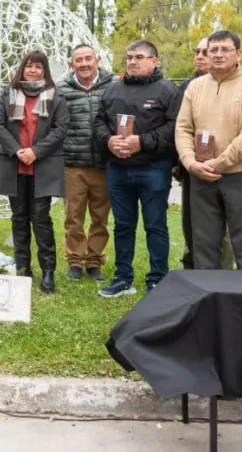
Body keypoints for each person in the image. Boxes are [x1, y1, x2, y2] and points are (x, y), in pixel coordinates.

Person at [94, 40, 181, 298]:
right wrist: (109, 141)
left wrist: (141, 142)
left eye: (139, 57)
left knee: (155, 225)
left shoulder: (167, 90)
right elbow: (98, 123)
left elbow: (175, 128)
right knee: (122, 226)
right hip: (118, 170)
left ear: (154, 61)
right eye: (129, 56)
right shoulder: (112, 89)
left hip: (153, 169)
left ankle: (157, 279)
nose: (132, 61)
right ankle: (123, 278)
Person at [175, 30, 242, 271]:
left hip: (241, 175)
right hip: (200, 176)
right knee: (204, 245)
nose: (217, 55)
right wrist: (191, 163)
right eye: (212, 50)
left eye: (224, 49)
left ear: (238, 53)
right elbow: (183, 128)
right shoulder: (195, 87)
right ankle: (211, 302)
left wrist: (219, 164)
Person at [0, 50, 69, 294]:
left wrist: (35, 151)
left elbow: (60, 130)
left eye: (38, 66)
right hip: (15, 165)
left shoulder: (56, 97)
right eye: (29, 66)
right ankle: (22, 266)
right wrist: (17, 150)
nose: (33, 70)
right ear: (22, 68)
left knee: (41, 219)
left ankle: (48, 270)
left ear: (45, 70)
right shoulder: (8, 94)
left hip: (41, 166)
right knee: (19, 217)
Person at [56, 44, 115, 281]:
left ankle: (94, 260)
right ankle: (75, 260)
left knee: (100, 216)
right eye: (78, 60)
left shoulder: (113, 86)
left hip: (104, 163)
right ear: (72, 65)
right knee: (73, 216)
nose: (84, 64)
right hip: (73, 163)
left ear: (97, 60)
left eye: (88, 58)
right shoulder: (61, 90)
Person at [177, 38, 235, 270]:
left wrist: (219, 162)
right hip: (192, 169)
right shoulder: (186, 88)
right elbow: (179, 128)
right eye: (198, 51)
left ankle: (222, 273)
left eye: (206, 51)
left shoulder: (238, 85)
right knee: (192, 225)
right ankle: (193, 270)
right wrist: (183, 162)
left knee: (223, 229)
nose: (201, 56)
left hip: (226, 170)